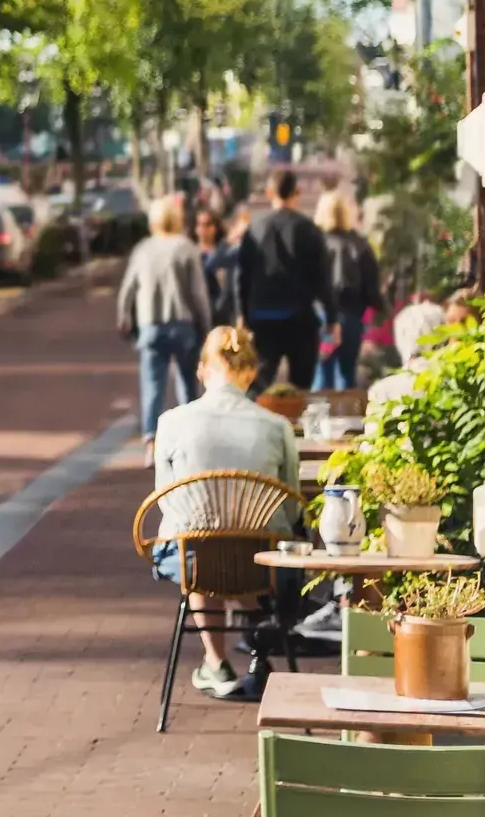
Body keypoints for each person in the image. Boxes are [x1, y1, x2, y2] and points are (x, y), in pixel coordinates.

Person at [149, 323, 303, 700]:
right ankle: (259, 629)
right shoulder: (276, 426)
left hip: (194, 558)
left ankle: (216, 663)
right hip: (261, 560)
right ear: (251, 373)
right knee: (251, 549)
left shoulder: (171, 422)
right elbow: (292, 501)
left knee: (195, 543)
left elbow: (165, 498)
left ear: (202, 371)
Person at [116, 194, 213, 440]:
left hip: (151, 325)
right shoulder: (186, 248)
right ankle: (190, 438)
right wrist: (207, 324)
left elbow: (128, 289)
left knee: (152, 384)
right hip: (184, 325)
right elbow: (198, 293)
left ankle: (150, 438)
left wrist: (124, 316)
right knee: (188, 384)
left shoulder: (143, 249)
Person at [234, 169, 329, 393]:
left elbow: (242, 275)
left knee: (257, 385)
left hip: (262, 318)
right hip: (301, 319)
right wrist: (331, 316)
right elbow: (322, 276)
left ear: (269, 192)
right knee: (302, 388)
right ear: (297, 191)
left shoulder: (255, 228)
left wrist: (242, 313)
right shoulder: (308, 229)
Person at [315, 191, 381, 392]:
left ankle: (319, 419)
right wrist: (377, 310)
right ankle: (346, 420)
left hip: (322, 317)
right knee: (347, 374)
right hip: (352, 316)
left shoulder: (315, 244)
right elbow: (372, 284)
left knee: (322, 372)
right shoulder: (360, 244)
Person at [194, 206, 241, 328]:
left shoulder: (227, 253)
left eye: (207, 224)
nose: (202, 229)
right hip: (204, 318)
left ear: (215, 227)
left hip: (227, 318)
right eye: (199, 224)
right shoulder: (193, 255)